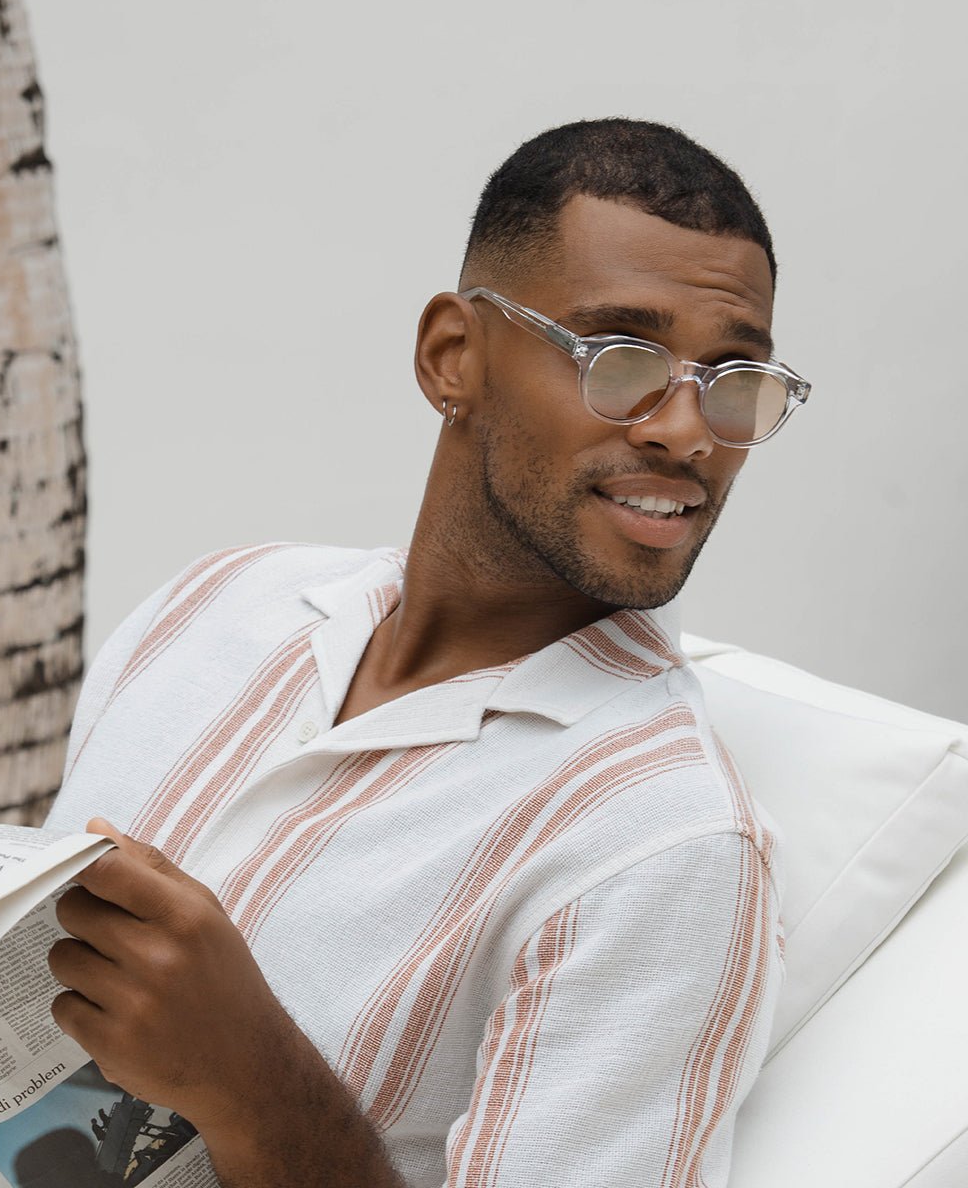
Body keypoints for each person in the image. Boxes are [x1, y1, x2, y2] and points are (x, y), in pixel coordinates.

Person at [45, 118, 808, 1188]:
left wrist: (255, 1086)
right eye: (620, 359)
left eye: (734, 378)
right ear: (454, 357)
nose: (688, 432)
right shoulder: (215, 605)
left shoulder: (666, 845)